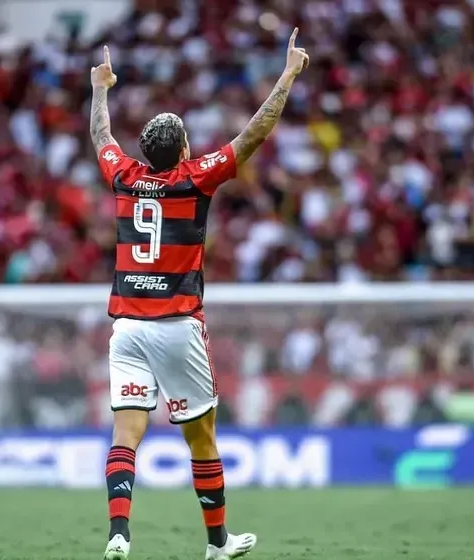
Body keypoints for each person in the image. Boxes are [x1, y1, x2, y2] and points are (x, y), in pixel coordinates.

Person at [89, 29, 309, 560]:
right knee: (201, 438)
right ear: (184, 149)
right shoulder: (195, 179)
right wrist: (289, 74)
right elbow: (254, 134)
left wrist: (100, 89)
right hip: (177, 325)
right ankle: (217, 543)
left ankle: (119, 533)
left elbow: (101, 138)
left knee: (127, 435)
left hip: (127, 327)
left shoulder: (123, 176)